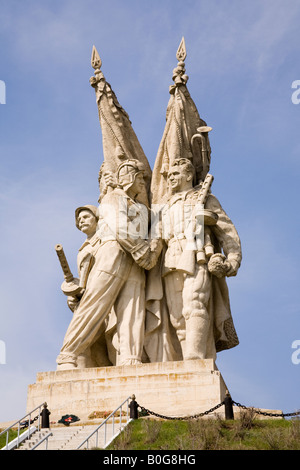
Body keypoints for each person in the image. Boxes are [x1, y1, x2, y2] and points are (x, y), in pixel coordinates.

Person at [56, 159, 159, 370]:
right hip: (114, 251)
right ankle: (68, 355)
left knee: (132, 308)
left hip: (136, 262)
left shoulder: (140, 207)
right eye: (141, 178)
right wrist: (142, 251)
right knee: (95, 303)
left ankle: (130, 358)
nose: (143, 183)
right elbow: (118, 225)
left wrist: (151, 248)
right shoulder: (113, 198)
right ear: (130, 178)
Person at [158, 157, 242, 361]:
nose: (170, 179)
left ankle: (195, 358)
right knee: (177, 317)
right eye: (169, 175)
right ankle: (186, 356)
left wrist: (232, 261)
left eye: (175, 174)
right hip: (170, 257)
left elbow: (227, 232)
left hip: (196, 254)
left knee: (194, 304)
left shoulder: (204, 199)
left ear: (188, 175)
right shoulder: (163, 206)